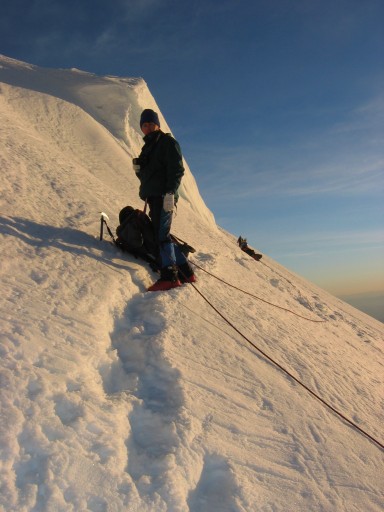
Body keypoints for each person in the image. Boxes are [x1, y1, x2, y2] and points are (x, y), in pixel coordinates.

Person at [133, 108, 196, 291]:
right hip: (153, 196)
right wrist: (139, 171)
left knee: (162, 235)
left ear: (158, 125)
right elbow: (149, 177)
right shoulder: (148, 148)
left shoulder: (167, 142)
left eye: (151, 124)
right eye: (144, 125)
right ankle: (186, 272)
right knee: (163, 234)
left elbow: (177, 170)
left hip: (164, 196)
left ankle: (170, 276)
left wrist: (170, 193)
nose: (148, 128)